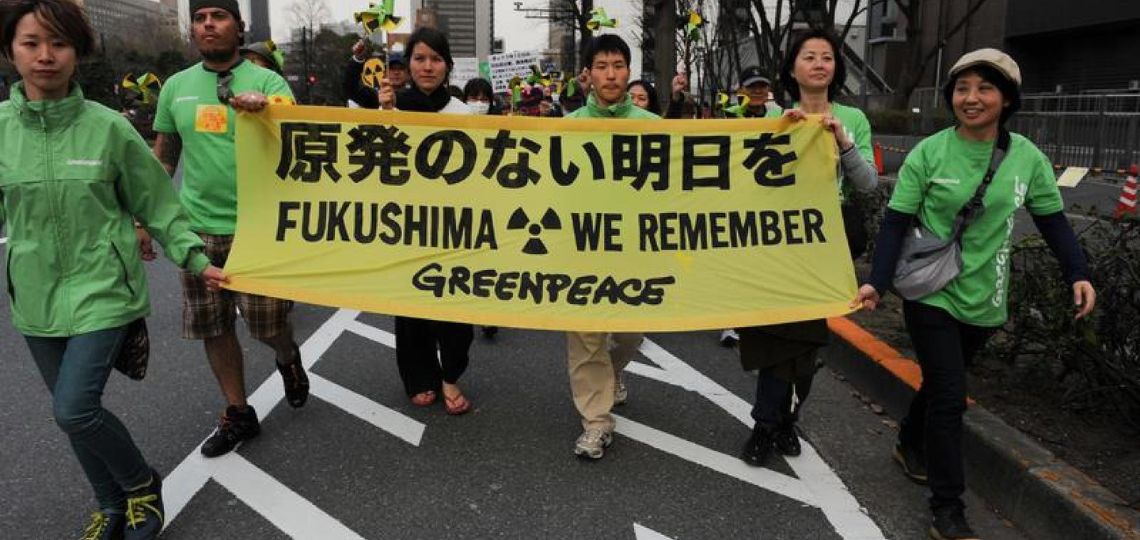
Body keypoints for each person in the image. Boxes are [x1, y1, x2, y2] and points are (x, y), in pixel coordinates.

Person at [0, 1, 225, 537]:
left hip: (105, 288)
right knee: (68, 413)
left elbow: (159, 204)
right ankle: (109, 503)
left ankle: (140, 484)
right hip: (34, 294)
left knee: (75, 409)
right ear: (11, 50)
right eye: (32, 43)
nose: (46, 56)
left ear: (78, 52)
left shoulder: (109, 129)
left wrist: (196, 257)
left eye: (59, 43)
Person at [852, 48, 1095, 540]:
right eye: (962, 88)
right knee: (949, 396)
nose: (971, 98)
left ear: (1006, 99)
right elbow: (897, 220)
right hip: (930, 292)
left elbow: (1052, 221)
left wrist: (1078, 272)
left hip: (987, 297)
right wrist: (877, 281)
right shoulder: (931, 151)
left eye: (985, 88)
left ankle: (907, 441)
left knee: (944, 384)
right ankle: (948, 509)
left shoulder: (1027, 158)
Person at [151, 0, 308, 458]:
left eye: (217, 16)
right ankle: (238, 412)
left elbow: (298, 140)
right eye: (199, 18)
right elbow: (164, 156)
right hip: (197, 229)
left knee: (266, 325)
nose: (207, 25)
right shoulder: (176, 86)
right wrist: (147, 218)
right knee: (213, 327)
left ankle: (287, 356)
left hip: (259, 229)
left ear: (238, 28)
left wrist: (269, 113)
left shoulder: (268, 81)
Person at [738, 30, 879, 468]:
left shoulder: (853, 119)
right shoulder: (772, 118)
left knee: (807, 343)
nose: (819, 64)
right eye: (809, 56)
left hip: (826, 243)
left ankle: (785, 419)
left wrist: (842, 142)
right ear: (793, 67)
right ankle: (767, 424)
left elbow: (868, 184)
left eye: (827, 57)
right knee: (776, 334)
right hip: (778, 242)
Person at [563, 34, 659, 460]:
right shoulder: (566, 130)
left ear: (628, 70)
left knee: (628, 333)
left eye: (618, 64)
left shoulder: (653, 127)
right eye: (601, 65)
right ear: (588, 74)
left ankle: (613, 372)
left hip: (634, 253)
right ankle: (596, 422)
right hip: (581, 250)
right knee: (585, 337)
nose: (611, 74)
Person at [378, 26, 476, 415]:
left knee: (458, 308)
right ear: (408, 64)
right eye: (419, 58)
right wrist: (384, 115)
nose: (428, 66)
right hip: (408, 226)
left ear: (448, 66)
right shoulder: (391, 106)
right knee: (412, 308)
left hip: (457, 227)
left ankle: (450, 374)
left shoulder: (464, 112)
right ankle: (419, 377)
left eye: (436, 59)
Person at [344, 38, 408, 109]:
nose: (396, 72)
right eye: (392, 69)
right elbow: (351, 87)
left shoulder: (414, 97)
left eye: (401, 68)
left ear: (408, 73)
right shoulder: (374, 97)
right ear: (384, 73)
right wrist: (358, 59)